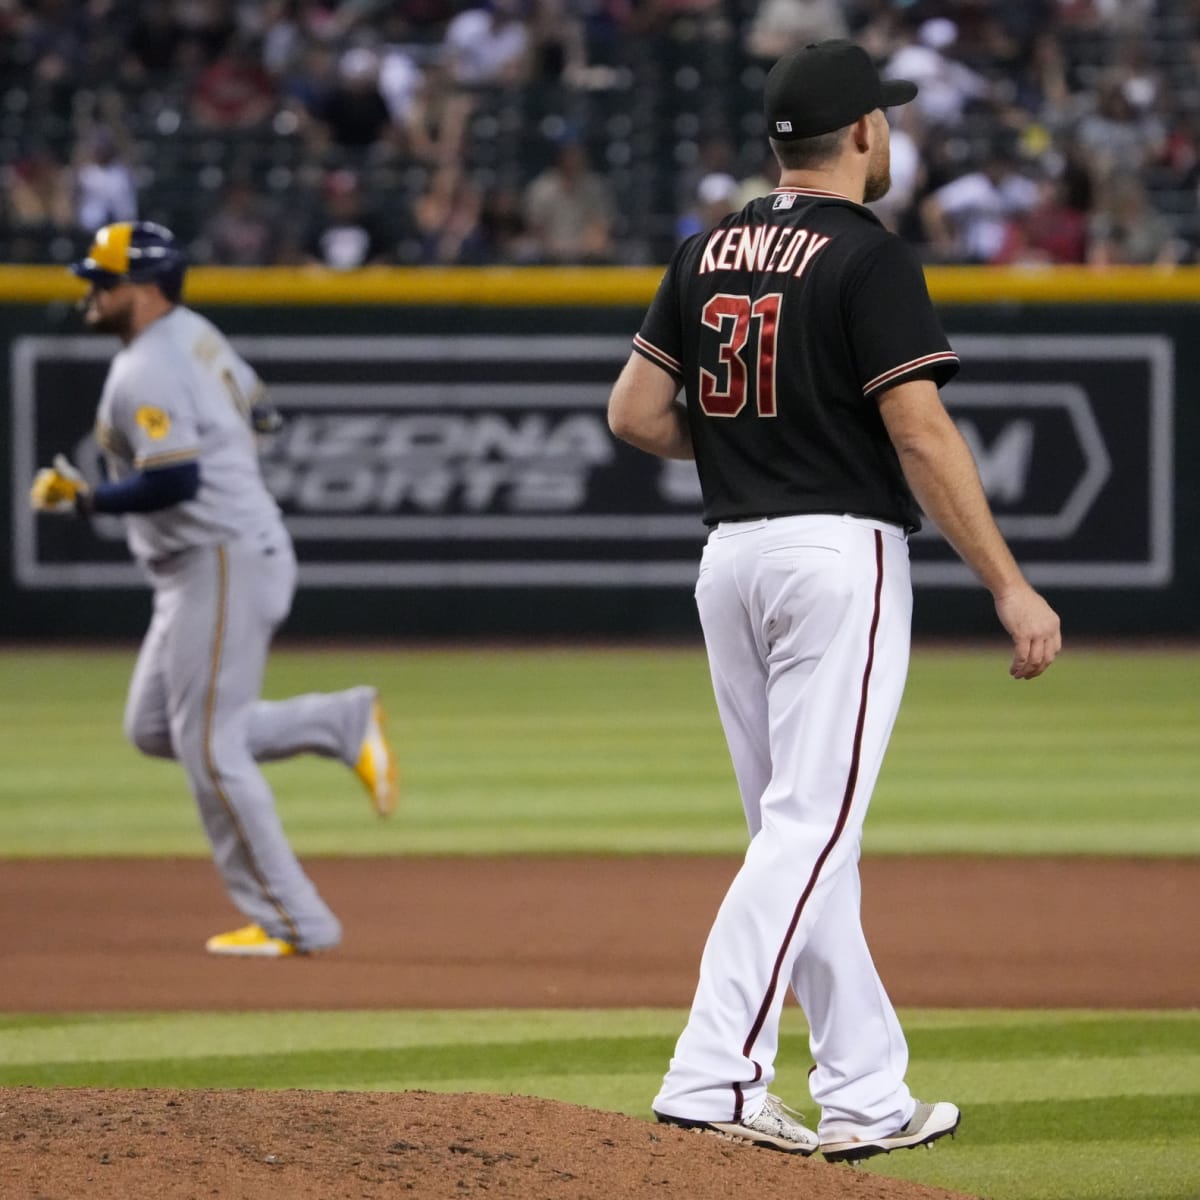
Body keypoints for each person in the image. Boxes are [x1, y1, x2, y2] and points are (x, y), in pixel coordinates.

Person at [607, 39, 1060, 1162]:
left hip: (731, 560)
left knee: (804, 836)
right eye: (887, 119)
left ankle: (864, 1094)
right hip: (832, 557)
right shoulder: (868, 255)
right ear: (862, 132)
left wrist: (748, 442)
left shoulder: (707, 248)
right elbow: (918, 428)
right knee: (812, 830)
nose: (891, 133)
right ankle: (713, 1074)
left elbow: (633, 413)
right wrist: (1008, 584)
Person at [29, 220, 400, 959]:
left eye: (102, 281)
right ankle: (337, 722)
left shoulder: (146, 367)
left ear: (145, 286)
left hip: (218, 557)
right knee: (156, 728)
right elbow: (262, 415)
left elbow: (175, 477)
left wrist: (86, 500)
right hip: (214, 557)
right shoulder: (195, 334)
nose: (90, 292)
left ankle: (296, 920)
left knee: (209, 746)